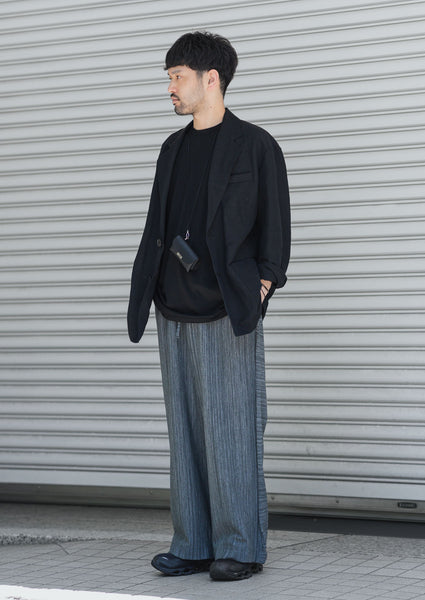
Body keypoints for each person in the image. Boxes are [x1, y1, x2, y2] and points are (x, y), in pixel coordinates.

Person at [127, 31, 290, 582]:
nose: (170, 87)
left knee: (232, 431)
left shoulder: (255, 145)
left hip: (227, 307)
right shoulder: (172, 148)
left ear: (210, 78)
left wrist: (263, 284)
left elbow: (276, 227)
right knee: (186, 436)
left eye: (177, 76)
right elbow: (158, 223)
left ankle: (240, 548)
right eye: (170, 78)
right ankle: (193, 544)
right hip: (171, 306)